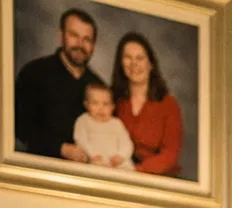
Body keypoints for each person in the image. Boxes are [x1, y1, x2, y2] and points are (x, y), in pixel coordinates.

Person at [15, 8, 100, 163]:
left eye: (87, 39)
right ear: (61, 36)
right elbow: (19, 126)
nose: (80, 44)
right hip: (40, 167)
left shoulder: (98, 86)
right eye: (74, 35)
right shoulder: (34, 73)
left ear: (94, 46)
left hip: (88, 174)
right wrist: (60, 148)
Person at [110, 33, 184, 178]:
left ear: (150, 64)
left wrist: (137, 171)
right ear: (121, 63)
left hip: (159, 177)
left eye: (140, 58)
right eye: (127, 57)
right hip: (120, 174)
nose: (134, 64)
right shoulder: (112, 101)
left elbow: (170, 154)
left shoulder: (168, 104)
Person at [73, 83, 134, 170]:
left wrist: (121, 156)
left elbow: (127, 143)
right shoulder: (83, 120)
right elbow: (80, 139)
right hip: (94, 161)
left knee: (128, 170)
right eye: (95, 103)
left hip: (117, 164)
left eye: (105, 104)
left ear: (112, 107)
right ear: (86, 105)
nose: (100, 108)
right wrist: (92, 154)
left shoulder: (116, 123)